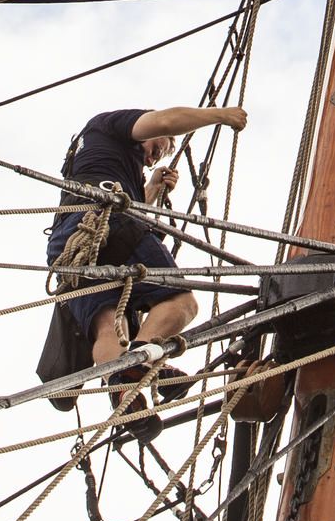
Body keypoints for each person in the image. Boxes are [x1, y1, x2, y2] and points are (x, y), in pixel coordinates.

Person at [40, 104, 247, 425]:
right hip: (103, 222)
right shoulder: (113, 123)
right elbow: (165, 120)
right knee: (181, 304)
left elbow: (128, 205)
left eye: (160, 156)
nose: (154, 157)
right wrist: (221, 116)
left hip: (69, 244)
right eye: (158, 147)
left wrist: (150, 189)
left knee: (110, 327)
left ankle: (124, 394)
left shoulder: (100, 157)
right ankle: (141, 359)